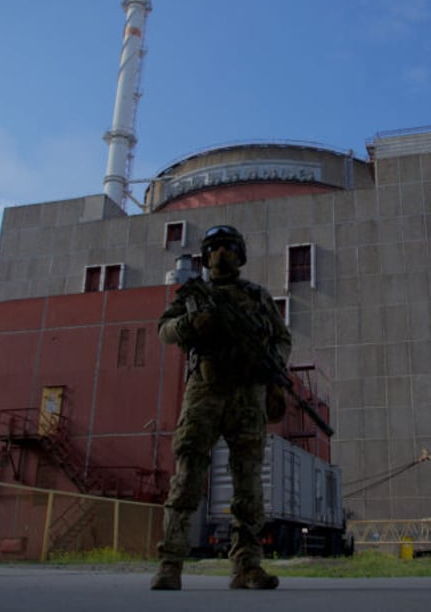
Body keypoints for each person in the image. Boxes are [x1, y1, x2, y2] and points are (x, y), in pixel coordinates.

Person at [151, 225, 291, 591]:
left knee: (248, 483)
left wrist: (271, 364)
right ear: (206, 255)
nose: (222, 253)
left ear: (240, 254)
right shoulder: (195, 294)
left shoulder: (258, 297)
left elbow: (281, 338)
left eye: (229, 247)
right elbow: (164, 329)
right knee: (188, 475)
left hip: (248, 394)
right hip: (205, 390)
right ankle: (170, 564)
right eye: (214, 248)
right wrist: (191, 323)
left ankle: (246, 566)